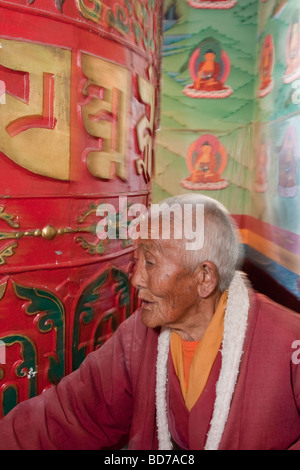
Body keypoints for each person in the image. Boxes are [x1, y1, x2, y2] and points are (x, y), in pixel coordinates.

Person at [0, 194, 300, 450]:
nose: (136, 279)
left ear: (205, 278)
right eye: (137, 262)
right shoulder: (140, 335)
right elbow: (72, 412)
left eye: (151, 263)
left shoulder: (288, 342)